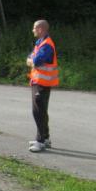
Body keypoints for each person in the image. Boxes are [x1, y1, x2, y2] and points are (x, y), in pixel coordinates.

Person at [26, 19, 59, 152]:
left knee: (38, 112)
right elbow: (31, 57)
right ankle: (45, 138)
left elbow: (36, 60)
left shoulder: (46, 45)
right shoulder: (40, 42)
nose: (33, 30)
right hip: (38, 81)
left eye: (34, 28)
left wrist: (31, 61)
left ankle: (40, 141)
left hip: (42, 83)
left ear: (40, 29)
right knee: (41, 111)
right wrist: (31, 60)